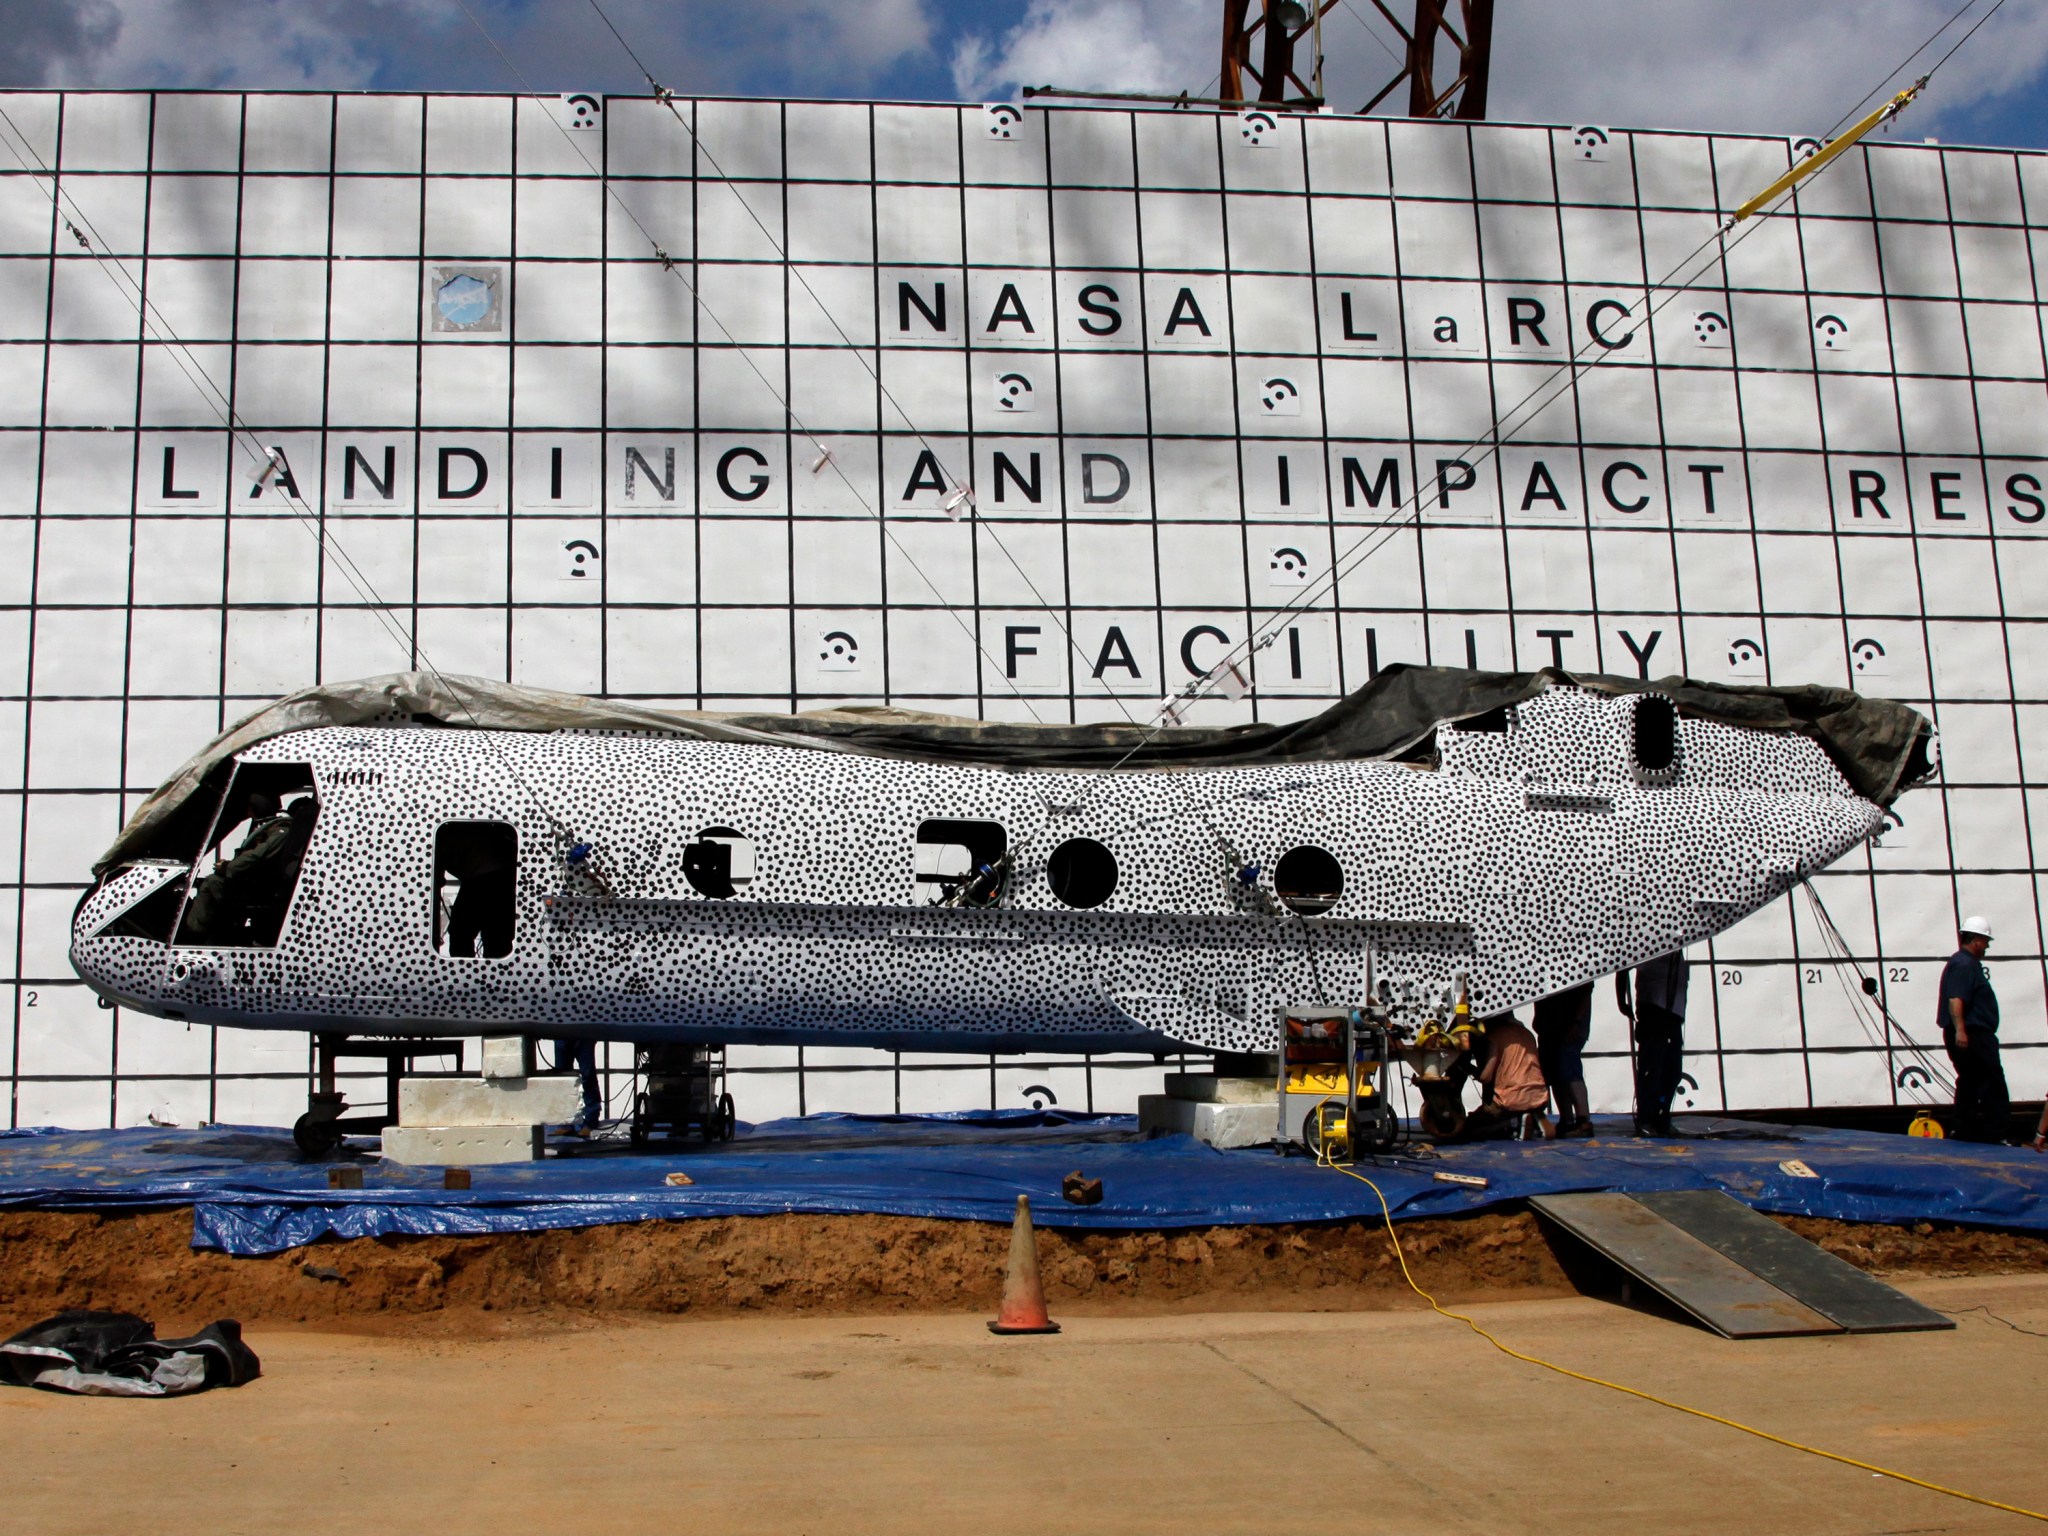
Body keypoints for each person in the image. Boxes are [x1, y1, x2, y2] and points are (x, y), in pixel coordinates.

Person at [1941, 916, 2008, 1144]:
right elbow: (1956, 999)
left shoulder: (1962, 963)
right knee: (1992, 1082)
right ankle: (1994, 1133)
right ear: (1976, 940)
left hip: (1969, 1033)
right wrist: (1961, 1030)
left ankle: (1962, 1130)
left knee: (1970, 1081)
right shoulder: (1965, 964)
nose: (1987, 946)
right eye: (1985, 940)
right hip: (1973, 1034)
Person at [1617, 950, 1688, 1137]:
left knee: (1672, 1070)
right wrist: (1622, 1000)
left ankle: (1662, 1115)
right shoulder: (1650, 943)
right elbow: (1622, 965)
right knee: (1651, 1068)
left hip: (1673, 1011)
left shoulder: (1679, 948)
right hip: (1653, 1008)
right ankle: (1646, 1117)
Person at [1463, 1013, 1549, 1140]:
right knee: (1523, 1103)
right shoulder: (1527, 1033)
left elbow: (1486, 1077)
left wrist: (1468, 1068)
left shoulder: (1495, 1035)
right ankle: (1533, 1116)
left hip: (1509, 1099)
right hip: (1538, 1096)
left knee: (1470, 1127)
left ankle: (1511, 1123)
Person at [1533, 981, 1595, 1138]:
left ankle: (1583, 1120)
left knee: (1568, 1068)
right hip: (1551, 1023)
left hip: (1568, 1023)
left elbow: (1586, 988)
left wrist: (1577, 1021)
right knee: (1554, 1071)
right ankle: (1567, 1119)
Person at [552, 1038, 602, 1133]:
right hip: (561, 1034)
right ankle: (565, 1123)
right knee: (562, 1080)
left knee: (588, 1076)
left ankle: (591, 1121)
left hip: (583, 1034)